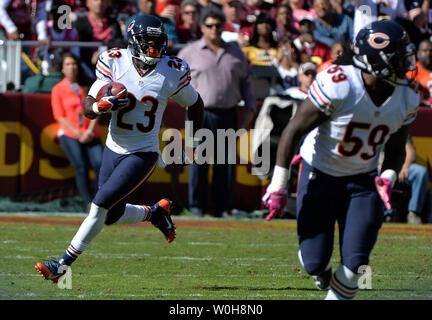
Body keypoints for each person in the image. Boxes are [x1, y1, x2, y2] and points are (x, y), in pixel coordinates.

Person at [35, 15, 204, 283]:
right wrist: (100, 107)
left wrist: (194, 141)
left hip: (143, 152)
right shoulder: (113, 60)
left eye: (157, 43)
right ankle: (154, 212)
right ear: (133, 42)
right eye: (147, 43)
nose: (153, 49)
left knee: (99, 206)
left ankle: (62, 266)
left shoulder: (172, 69)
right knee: (111, 216)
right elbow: (88, 107)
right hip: (113, 147)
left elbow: (195, 104)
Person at [262, 20, 419, 299]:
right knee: (314, 261)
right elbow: (293, 130)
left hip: (362, 180)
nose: (406, 64)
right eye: (398, 58)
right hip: (320, 173)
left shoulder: (406, 96)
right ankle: (320, 271)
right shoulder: (340, 83)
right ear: (376, 60)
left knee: (357, 264)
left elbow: (396, 150)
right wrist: (279, 185)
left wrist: (387, 178)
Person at [177, 10, 255, 218]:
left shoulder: (236, 53)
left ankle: (223, 208)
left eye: (218, 25)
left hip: (228, 112)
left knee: (225, 165)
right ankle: (197, 207)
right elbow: (175, 81)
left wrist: (250, 108)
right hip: (198, 113)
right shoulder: (189, 52)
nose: (214, 29)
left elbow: (246, 82)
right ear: (202, 27)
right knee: (198, 163)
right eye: (210, 25)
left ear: (223, 27)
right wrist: (182, 102)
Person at [50, 52, 103, 207]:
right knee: (80, 166)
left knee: (99, 163)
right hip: (70, 133)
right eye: (67, 64)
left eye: (73, 64)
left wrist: (89, 132)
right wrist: (78, 133)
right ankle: (88, 202)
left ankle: (100, 200)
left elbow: (98, 109)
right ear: (62, 68)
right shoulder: (58, 89)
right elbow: (59, 115)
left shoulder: (87, 85)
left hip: (91, 132)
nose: (71, 67)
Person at [73, 0, 124, 72]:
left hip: (112, 66)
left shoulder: (114, 23)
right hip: (87, 67)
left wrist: (102, 51)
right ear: (87, 3)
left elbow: (120, 43)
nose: (100, 3)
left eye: (103, 0)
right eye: (95, 0)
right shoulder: (79, 24)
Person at [389, 135, 429, 224]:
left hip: (399, 168)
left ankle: (413, 213)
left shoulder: (397, 124)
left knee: (420, 172)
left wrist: (405, 167)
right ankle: (387, 213)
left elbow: (410, 150)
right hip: (378, 169)